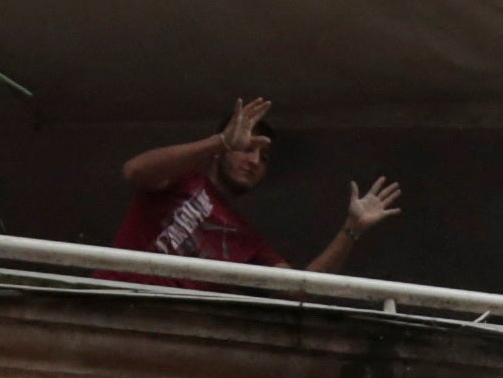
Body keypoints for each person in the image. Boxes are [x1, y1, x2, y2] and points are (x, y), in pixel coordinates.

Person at [120, 97, 399, 273]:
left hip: (172, 330)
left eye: (264, 158)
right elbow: (135, 171)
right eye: (247, 148)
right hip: (114, 303)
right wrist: (221, 142)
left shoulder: (246, 239)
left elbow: (298, 291)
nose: (254, 161)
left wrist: (352, 228)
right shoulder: (183, 177)